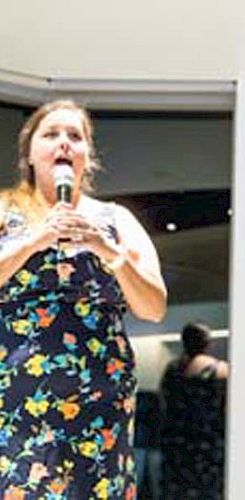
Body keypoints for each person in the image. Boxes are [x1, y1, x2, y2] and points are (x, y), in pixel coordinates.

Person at [0, 99, 167, 498]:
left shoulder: (116, 219)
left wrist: (107, 250)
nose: (63, 144)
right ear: (29, 153)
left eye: (75, 136)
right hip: (16, 402)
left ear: (88, 157)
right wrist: (35, 239)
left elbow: (154, 307)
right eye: (51, 134)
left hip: (99, 402)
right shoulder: (6, 210)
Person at [159, 322, 228, 499]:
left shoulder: (172, 370)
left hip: (176, 445)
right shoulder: (220, 370)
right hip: (209, 445)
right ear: (207, 344)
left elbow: (164, 402)